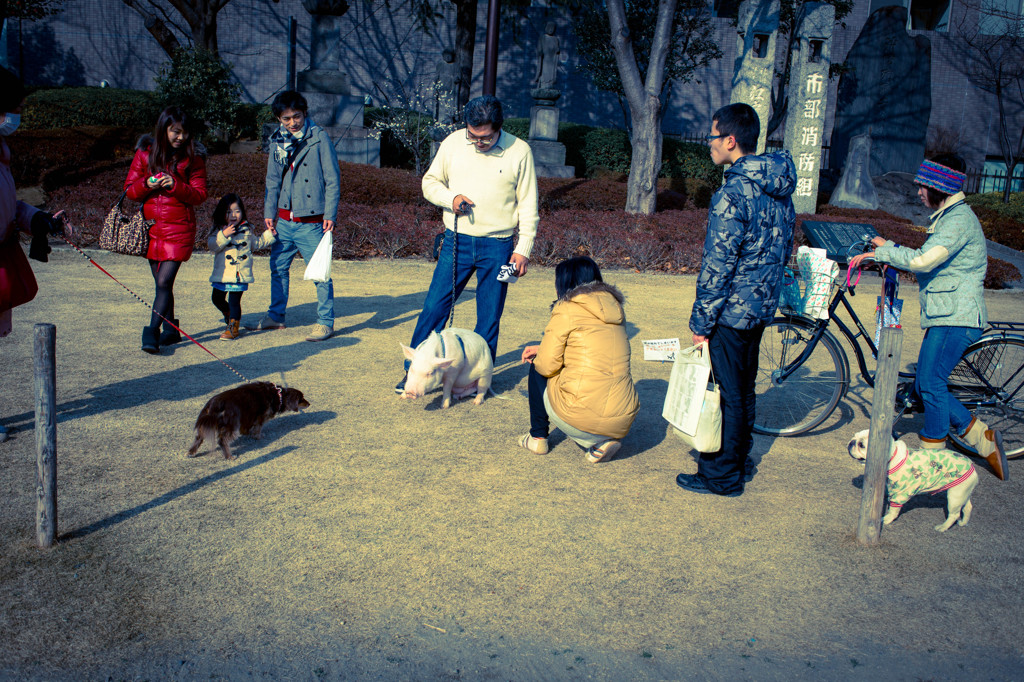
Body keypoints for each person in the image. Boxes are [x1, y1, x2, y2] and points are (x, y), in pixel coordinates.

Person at [848, 154, 1008, 480]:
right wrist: (888, 245)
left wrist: (882, 251)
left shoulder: (958, 221)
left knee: (932, 385)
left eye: (923, 186)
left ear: (939, 187)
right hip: (946, 314)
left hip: (956, 316)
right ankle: (981, 437)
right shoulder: (950, 217)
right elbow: (926, 259)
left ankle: (934, 464)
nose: (919, 191)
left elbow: (924, 261)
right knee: (924, 383)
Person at [676, 103, 797, 498]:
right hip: (761, 306)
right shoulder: (778, 188)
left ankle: (721, 475)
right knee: (742, 390)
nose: (709, 144)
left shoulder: (733, 192)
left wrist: (701, 322)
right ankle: (738, 460)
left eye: (712, 136)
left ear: (730, 140)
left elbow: (718, 263)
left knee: (728, 392)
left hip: (732, 310)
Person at [396, 95, 539, 394]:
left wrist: (522, 249)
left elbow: (528, 205)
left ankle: (476, 379)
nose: (477, 142)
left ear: (498, 128)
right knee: (434, 307)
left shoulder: (520, 151)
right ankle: (414, 373)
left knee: (489, 315)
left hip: (499, 246)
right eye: (472, 136)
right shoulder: (452, 143)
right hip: (455, 241)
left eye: (484, 137)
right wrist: (451, 199)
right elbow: (429, 182)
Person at [0, 66, 73, 442]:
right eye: (14, 107)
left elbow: (9, 205)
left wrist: (38, 219)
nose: (17, 115)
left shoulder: (1, 154)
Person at [520, 256, 639, 463]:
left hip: (581, 414)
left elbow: (548, 366)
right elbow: (591, 348)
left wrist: (542, 352)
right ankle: (601, 442)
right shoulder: (615, 309)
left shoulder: (567, 308)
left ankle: (537, 437)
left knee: (538, 367)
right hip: (624, 416)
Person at [252, 90, 340, 342]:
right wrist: (270, 212)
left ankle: (325, 322)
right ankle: (276, 316)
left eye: (297, 116)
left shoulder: (319, 138)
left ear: (305, 114)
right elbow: (272, 181)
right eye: (286, 118)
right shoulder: (277, 140)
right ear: (279, 119)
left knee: (320, 273)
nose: (292, 123)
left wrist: (330, 214)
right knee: (278, 269)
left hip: (312, 222)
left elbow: (333, 180)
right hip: (283, 221)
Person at [124, 105, 208, 354]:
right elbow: (129, 190)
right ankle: (171, 329)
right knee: (163, 285)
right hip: (151, 228)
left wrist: (175, 184)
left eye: (184, 132)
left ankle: (152, 332)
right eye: (175, 131)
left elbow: (200, 195)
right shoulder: (144, 155)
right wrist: (147, 183)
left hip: (179, 228)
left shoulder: (194, 158)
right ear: (164, 129)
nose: (180, 137)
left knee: (163, 281)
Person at [207, 194, 276, 341]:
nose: (233, 215)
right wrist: (224, 235)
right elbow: (212, 246)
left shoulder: (247, 229)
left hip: (239, 273)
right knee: (216, 298)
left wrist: (269, 235)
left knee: (234, 301)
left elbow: (256, 244)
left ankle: (233, 326)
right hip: (223, 272)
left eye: (237, 211)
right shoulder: (218, 229)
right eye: (229, 212)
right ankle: (228, 314)